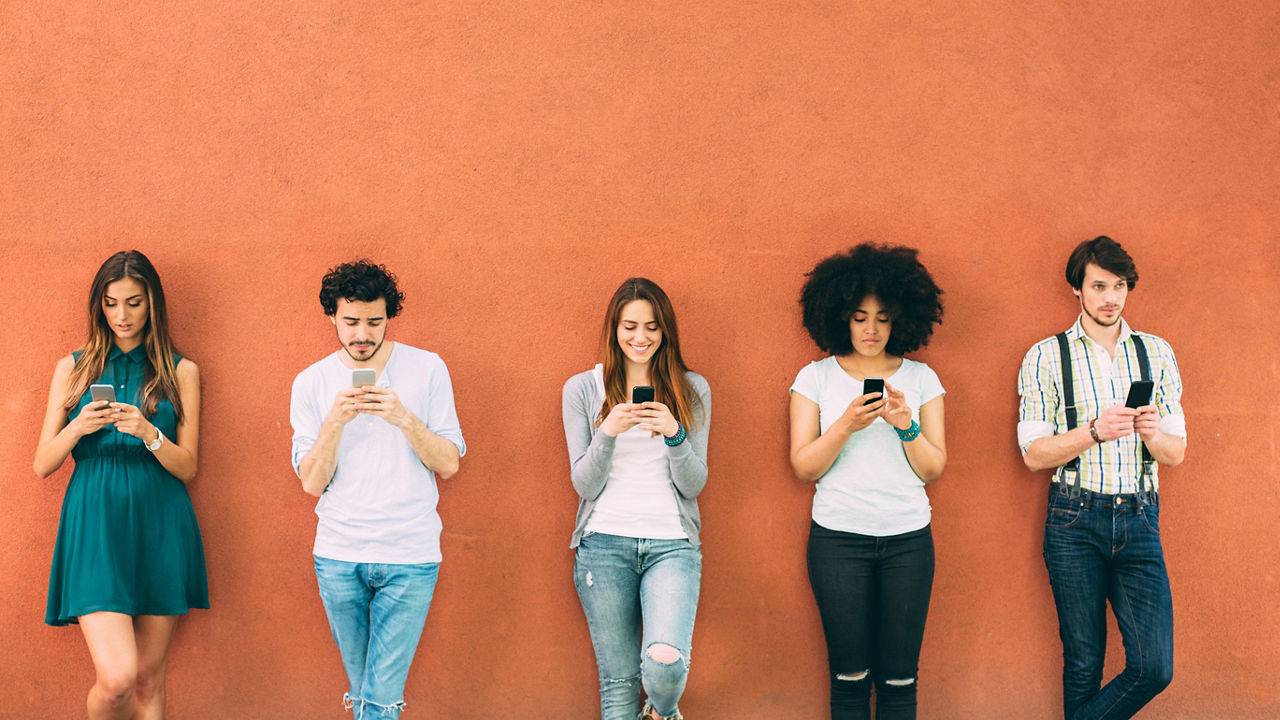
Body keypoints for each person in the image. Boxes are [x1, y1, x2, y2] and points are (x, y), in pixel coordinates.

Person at [1018, 236, 1185, 719]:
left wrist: (1151, 433)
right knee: (1084, 660)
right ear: (1078, 290)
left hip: (1139, 515)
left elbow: (1175, 453)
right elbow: (1032, 455)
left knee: (1154, 667)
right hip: (1074, 517)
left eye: (1119, 286)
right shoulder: (1046, 357)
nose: (1111, 297)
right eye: (1098, 286)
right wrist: (1093, 431)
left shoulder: (1156, 352)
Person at [35, 250, 207, 720]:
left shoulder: (181, 372)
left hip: (161, 522)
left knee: (150, 681)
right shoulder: (72, 368)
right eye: (111, 303)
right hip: (93, 526)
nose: (122, 316)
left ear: (153, 303)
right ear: (98, 305)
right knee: (116, 681)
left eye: (134, 302)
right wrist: (77, 428)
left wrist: (149, 434)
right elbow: (42, 463)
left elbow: (188, 467)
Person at [290, 260, 465, 720]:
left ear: (390, 316)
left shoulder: (427, 369)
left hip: (410, 554)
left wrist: (403, 417)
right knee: (365, 695)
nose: (362, 333)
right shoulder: (310, 382)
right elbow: (311, 482)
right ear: (332, 316)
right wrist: (335, 422)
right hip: (338, 555)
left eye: (374, 321)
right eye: (351, 322)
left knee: (381, 699)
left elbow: (449, 464)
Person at [788, 243, 947, 720]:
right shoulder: (813, 378)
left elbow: (933, 468)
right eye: (859, 317)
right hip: (838, 541)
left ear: (900, 317)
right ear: (840, 317)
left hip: (907, 541)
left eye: (882, 317)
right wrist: (845, 425)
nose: (871, 329)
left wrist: (906, 425)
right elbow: (804, 466)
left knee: (900, 681)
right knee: (849, 679)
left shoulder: (922, 378)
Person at [562, 277, 711, 720]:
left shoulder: (692, 388)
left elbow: (694, 484)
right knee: (618, 685)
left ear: (666, 332)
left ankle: (662, 713)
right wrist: (606, 431)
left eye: (651, 327)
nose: (640, 338)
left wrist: (674, 433)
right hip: (603, 546)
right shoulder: (582, 389)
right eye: (629, 326)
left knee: (664, 668)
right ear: (614, 328)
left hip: (672, 545)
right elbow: (584, 485)